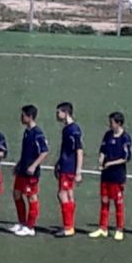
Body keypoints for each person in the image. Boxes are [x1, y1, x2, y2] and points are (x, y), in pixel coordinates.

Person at [89, 111, 132, 240]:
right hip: (106, 175)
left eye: (112, 122)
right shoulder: (108, 135)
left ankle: (119, 229)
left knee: (118, 203)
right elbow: (103, 150)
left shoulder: (125, 138)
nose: (110, 124)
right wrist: (101, 160)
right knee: (104, 201)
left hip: (117, 175)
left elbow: (126, 157)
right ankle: (103, 228)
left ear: (118, 123)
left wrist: (110, 163)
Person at [11, 104, 48, 237]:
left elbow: (44, 151)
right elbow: (26, 152)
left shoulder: (37, 133)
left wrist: (33, 166)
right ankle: (22, 222)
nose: (21, 118)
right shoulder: (27, 131)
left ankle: (30, 227)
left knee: (31, 197)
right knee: (16, 194)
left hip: (31, 173)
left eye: (23, 115)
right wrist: (19, 164)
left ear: (30, 116)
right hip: (22, 170)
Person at [53, 102, 84, 238]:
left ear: (65, 113)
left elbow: (79, 150)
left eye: (58, 112)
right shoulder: (68, 129)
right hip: (65, 165)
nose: (57, 115)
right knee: (69, 194)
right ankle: (70, 225)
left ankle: (68, 227)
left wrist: (78, 171)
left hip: (69, 168)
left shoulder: (73, 130)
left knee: (62, 195)